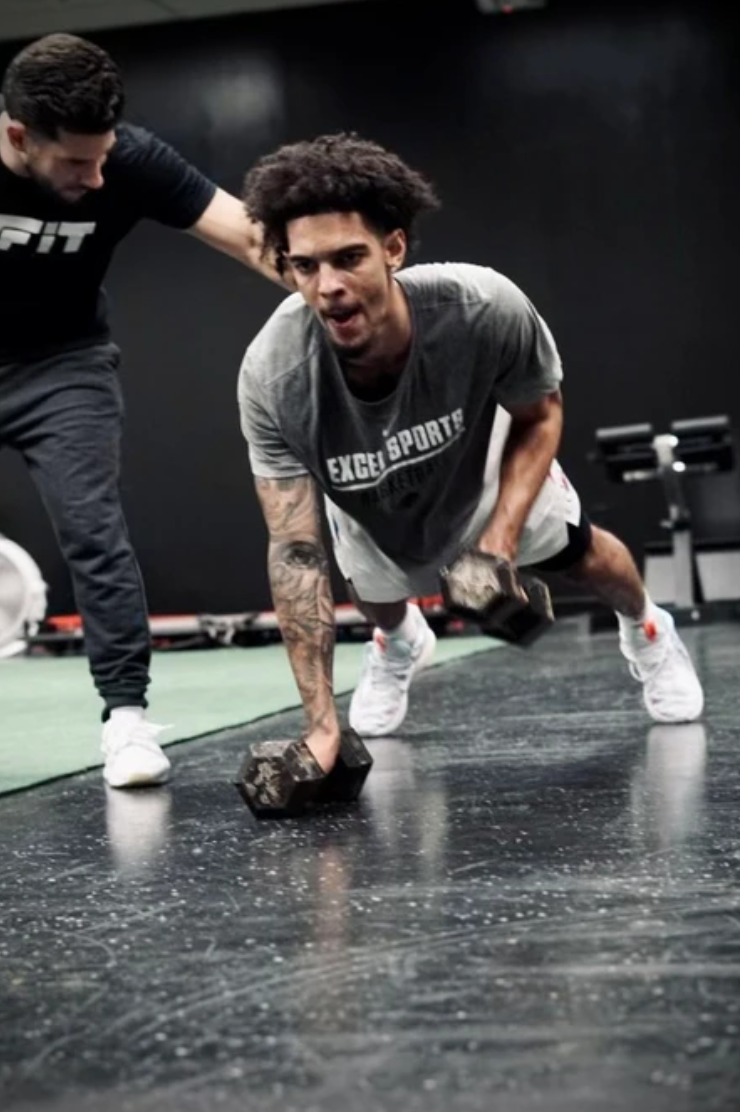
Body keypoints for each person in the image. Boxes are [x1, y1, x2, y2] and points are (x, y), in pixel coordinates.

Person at [236, 132, 704, 775]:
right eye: (306, 266)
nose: (328, 287)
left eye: (349, 258)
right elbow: (295, 548)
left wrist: (499, 542)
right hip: (367, 498)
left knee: (583, 553)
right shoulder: (273, 373)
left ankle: (649, 630)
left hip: (480, 469)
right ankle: (398, 643)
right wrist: (320, 725)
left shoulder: (481, 307)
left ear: (393, 247)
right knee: (373, 589)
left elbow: (540, 413)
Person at [0, 33, 284, 788]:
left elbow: (253, 238)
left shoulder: (128, 161)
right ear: (17, 135)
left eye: (104, 156)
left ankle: (125, 721)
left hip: (64, 367)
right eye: (74, 163)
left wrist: (354, 297)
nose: (97, 177)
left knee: (92, 529)